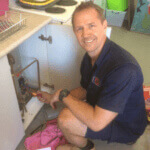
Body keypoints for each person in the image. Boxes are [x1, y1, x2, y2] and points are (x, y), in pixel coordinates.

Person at [37, 2, 147, 150]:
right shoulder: (89, 58)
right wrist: (54, 96)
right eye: (79, 29)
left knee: (64, 119)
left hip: (125, 127)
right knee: (68, 112)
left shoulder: (124, 69)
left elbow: (97, 122)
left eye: (91, 25)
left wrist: (64, 95)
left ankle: (87, 148)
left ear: (104, 25)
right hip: (104, 109)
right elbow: (86, 89)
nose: (85, 34)